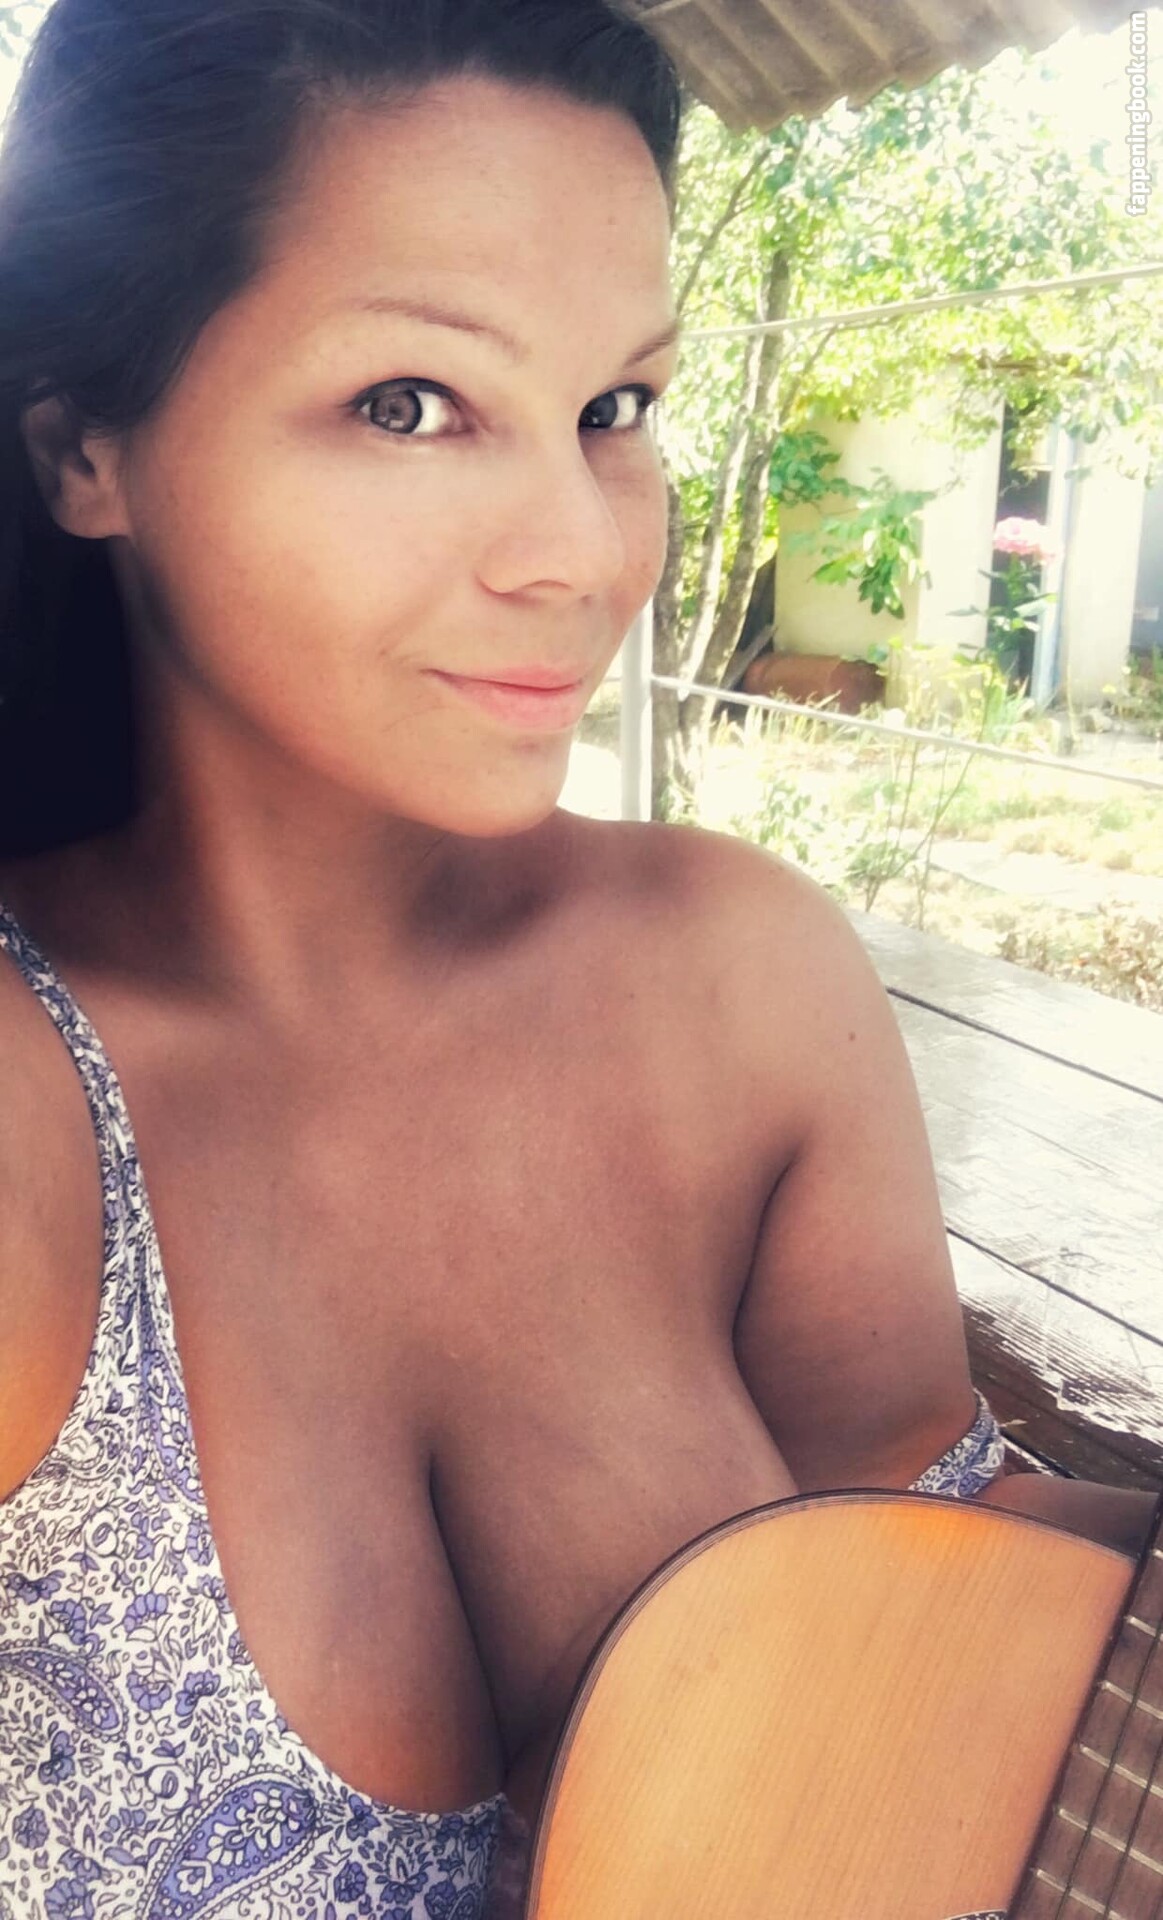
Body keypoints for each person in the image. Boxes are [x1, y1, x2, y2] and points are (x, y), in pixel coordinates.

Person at [0, 2, 1155, 1915]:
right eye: (411, 403)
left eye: (616, 408)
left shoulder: (742, 982)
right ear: (84, 449)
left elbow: (927, 1527)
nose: (580, 553)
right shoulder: (34, 1110)